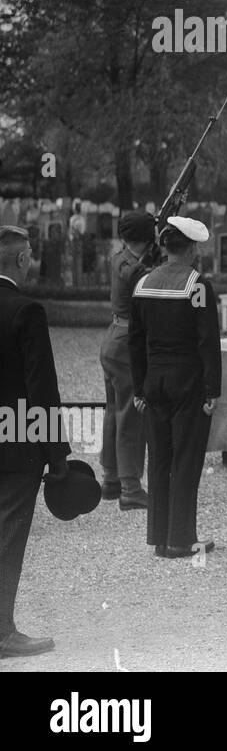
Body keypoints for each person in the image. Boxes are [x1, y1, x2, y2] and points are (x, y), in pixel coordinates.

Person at [129, 216, 221, 558]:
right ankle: (181, 538)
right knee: (185, 459)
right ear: (193, 248)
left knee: (160, 458)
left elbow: (135, 344)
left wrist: (139, 389)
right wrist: (213, 390)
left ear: (166, 246)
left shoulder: (143, 284)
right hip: (188, 382)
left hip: (154, 381)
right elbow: (207, 342)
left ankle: (159, 537)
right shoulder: (197, 287)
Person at [0, 225, 70, 658]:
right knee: (8, 534)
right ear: (22, 260)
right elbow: (42, 387)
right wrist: (57, 455)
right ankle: (2, 632)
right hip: (15, 441)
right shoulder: (27, 310)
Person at [98, 210, 153, 512]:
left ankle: (110, 478)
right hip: (127, 341)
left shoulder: (120, 257)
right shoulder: (135, 269)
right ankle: (130, 487)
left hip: (113, 336)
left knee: (113, 410)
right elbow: (145, 278)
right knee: (131, 413)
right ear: (147, 238)